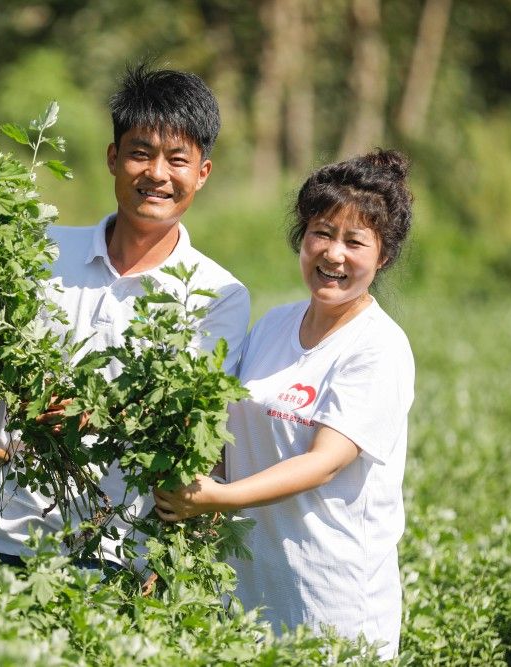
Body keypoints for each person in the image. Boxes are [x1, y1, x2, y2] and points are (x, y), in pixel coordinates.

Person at [0, 63, 250, 570]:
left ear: (202, 173)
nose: (157, 174)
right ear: (113, 158)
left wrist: (95, 414)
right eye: (140, 153)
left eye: (177, 160)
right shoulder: (42, 251)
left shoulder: (217, 294)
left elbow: (193, 427)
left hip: (118, 549)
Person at [153, 150, 414, 659]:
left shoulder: (377, 347)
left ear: (382, 257)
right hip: (250, 597)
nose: (333, 254)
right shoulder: (274, 325)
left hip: (333, 605)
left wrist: (217, 498)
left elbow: (323, 462)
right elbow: (224, 426)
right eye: (322, 232)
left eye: (354, 241)